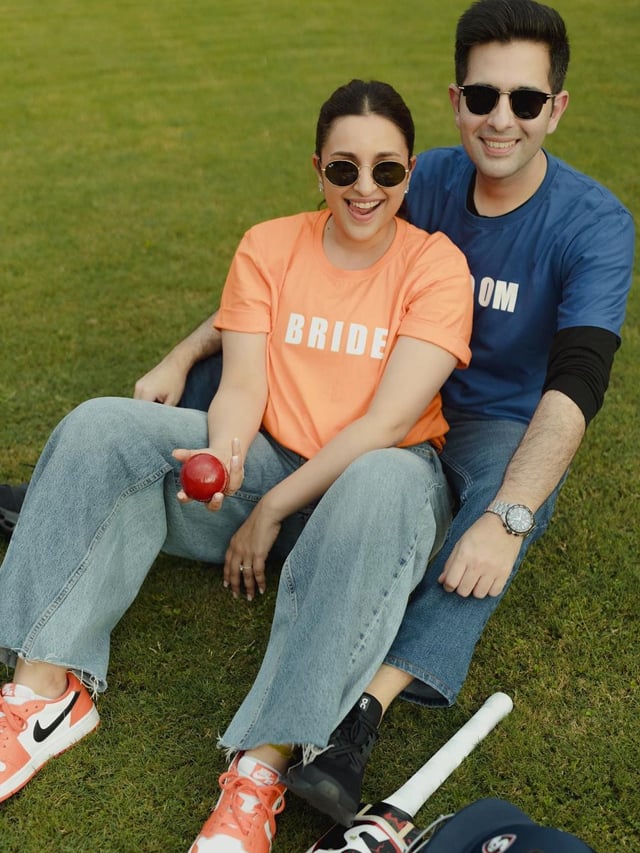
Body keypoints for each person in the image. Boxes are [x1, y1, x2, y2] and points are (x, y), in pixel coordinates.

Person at [110, 0, 636, 841]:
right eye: (482, 96)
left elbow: (576, 386)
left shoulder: (595, 223)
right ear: (456, 98)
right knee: (231, 378)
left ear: (557, 108)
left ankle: (359, 715)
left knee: (516, 494)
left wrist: (507, 518)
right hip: (385, 379)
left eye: (525, 101)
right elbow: (282, 287)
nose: (501, 120)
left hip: (486, 415)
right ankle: (119, 494)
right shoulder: (410, 173)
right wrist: (183, 353)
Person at [0, 77, 473, 850]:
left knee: (382, 475)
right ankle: (41, 691)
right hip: (272, 457)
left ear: (410, 172)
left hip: (383, 485)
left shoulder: (436, 266)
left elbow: (388, 421)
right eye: (344, 168)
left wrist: (272, 507)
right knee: (99, 428)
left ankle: (259, 771)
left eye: (386, 170)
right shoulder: (269, 244)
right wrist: (223, 457)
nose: (365, 188)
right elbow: (245, 384)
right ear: (316, 168)